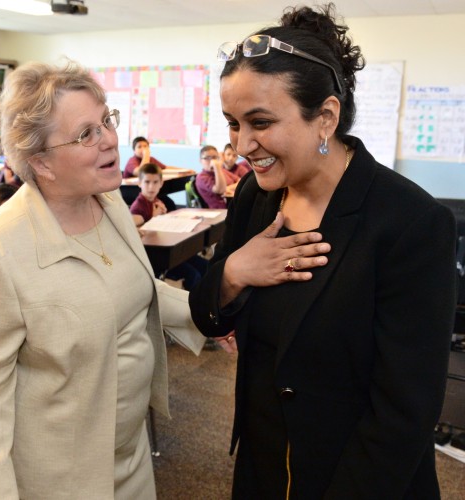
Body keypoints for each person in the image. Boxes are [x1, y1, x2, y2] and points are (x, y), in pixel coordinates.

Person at [188, 5, 456, 499]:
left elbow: (405, 410)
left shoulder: (410, 223)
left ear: (326, 117)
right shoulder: (256, 196)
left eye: (260, 122)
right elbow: (207, 314)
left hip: (357, 474)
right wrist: (233, 273)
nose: (243, 144)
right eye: (231, 123)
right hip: (265, 459)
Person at [0, 60, 204, 499]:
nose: (110, 138)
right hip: (61, 477)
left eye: (106, 120)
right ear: (42, 163)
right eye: (86, 133)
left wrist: (218, 308)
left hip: (131, 456)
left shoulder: (109, 202)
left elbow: (137, 292)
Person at [130, 162, 207, 291]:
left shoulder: (156, 202)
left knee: (205, 265)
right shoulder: (139, 206)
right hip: (155, 258)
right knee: (193, 275)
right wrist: (153, 218)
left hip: (168, 251)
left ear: (161, 183)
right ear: (139, 183)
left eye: (155, 182)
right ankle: (191, 309)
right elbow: (131, 222)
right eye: (147, 182)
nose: (151, 187)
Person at [195, 145, 230, 209]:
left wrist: (228, 188)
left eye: (214, 158)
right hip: (218, 211)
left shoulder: (219, 172)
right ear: (200, 161)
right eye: (207, 158)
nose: (212, 161)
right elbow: (220, 190)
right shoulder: (201, 177)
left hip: (230, 205)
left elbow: (239, 180)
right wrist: (217, 167)